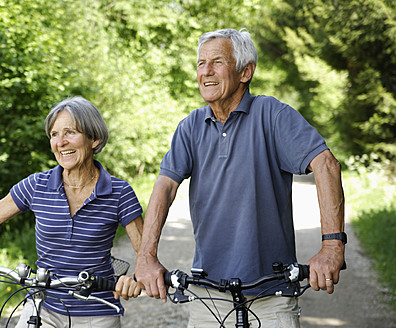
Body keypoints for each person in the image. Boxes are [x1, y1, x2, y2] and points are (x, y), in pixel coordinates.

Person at [134, 28, 345, 327]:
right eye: (200, 63)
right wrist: (146, 257)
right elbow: (165, 187)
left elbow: (326, 165)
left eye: (217, 62)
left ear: (245, 71)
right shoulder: (190, 127)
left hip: (273, 294)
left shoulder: (272, 114)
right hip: (207, 295)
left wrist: (332, 247)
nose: (205, 71)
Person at [0, 96, 143, 328]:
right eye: (54, 134)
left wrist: (135, 280)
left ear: (94, 138)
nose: (61, 143)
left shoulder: (119, 192)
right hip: (43, 306)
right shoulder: (36, 185)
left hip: (97, 310)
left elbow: (146, 253)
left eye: (70, 132)